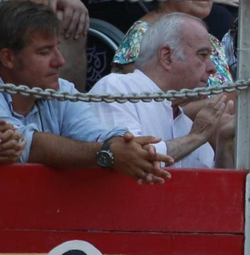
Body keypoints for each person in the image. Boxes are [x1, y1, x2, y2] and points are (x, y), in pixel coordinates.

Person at [0, 2, 169, 179]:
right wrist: (108, 152)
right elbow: (27, 146)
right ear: (8, 58)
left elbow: (96, 133)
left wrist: (130, 148)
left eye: (57, 47)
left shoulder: (61, 89)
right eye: (44, 52)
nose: (60, 61)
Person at [89, 13, 233, 170]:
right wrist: (195, 137)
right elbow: (131, 160)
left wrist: (224, 143)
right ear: (167, 57)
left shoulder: (186, 123)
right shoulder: (116, 89)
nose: (212, 68)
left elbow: (211, 188)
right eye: (203, 55)